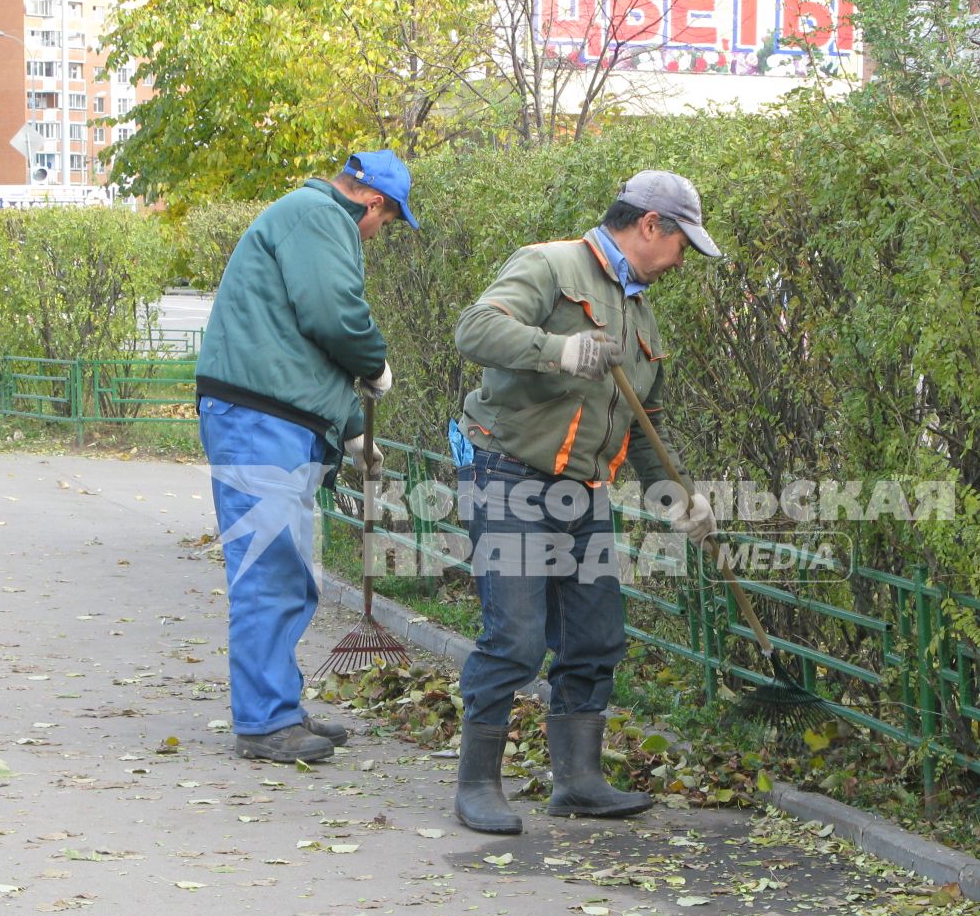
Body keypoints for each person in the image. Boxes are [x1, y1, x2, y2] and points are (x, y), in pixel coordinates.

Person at [451, 171, 721, 834]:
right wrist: (557, 350)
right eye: (682, 242)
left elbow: (643, 422)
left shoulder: (642, 314)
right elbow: (475, 330)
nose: (684, 258)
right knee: (515, 637)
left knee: (596, 637)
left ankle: (577, 781)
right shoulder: (550, 264)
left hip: (583, 490)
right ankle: (478, 784)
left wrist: (675, 498)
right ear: (650, 225)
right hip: (509, 474)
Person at [195, 150, 417, 765]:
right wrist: (373, 363)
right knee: (269, 567)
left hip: (274, 417)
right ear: (373, 202)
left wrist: (350, 429)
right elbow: (333, 316)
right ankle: (266, 723)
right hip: (258, 419)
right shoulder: (322, 217)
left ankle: (279, 708)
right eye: (388, 222)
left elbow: (298, 345)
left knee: (286, 569)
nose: (379, 235)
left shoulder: (304, 217)